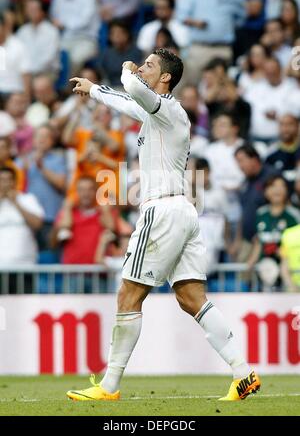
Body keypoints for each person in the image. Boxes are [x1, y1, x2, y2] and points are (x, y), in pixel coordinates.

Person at [66, 48, 260, 402]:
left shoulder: (168, 108)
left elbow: (132, 87)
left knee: (128, 293)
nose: (142, 67)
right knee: (191, 297)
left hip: (161, 212)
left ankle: (109, 385)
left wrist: (126, 68)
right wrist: (93, 89)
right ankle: (243, 373)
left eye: (149, 65)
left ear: (165, 78)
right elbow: (127, 101)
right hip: (182, 211)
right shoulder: (156, 113)